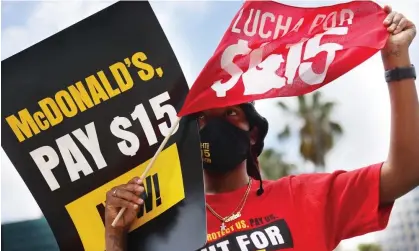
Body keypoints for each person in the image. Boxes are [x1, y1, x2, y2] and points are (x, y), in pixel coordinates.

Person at [104, 5, 418, 251]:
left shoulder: (307, 196)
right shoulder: (163, 224)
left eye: (230, 112)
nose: (215, 125)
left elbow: (406, 172)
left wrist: (396, 60)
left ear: (253, 132)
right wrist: (115, 237)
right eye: (202, 118)